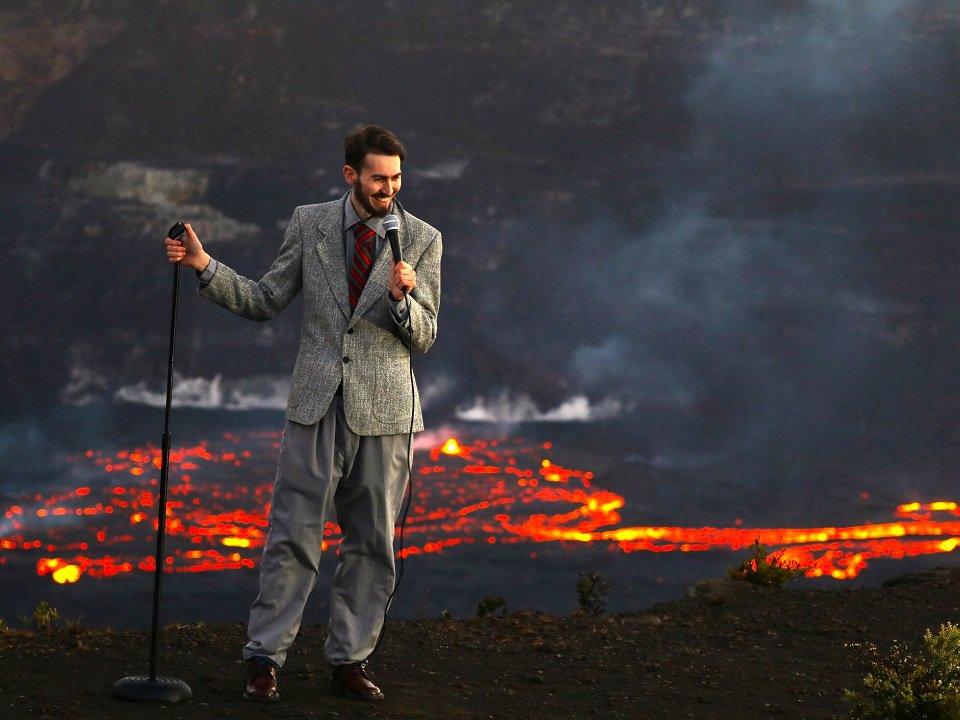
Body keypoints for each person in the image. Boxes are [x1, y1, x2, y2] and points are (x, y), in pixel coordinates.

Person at [164, 124, 442, 702]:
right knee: (292, 534)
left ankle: (350, 662)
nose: (388, 189)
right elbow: (266, 299)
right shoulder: (310, 223)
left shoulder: (422, 239)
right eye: (377, 178)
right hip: (316, 405)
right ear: (351, 176)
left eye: (395, 178)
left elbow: (424, 337)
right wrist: (204, 264)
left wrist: (400, 300)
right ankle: (264, 658)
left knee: (372, 543)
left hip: (387, 414)